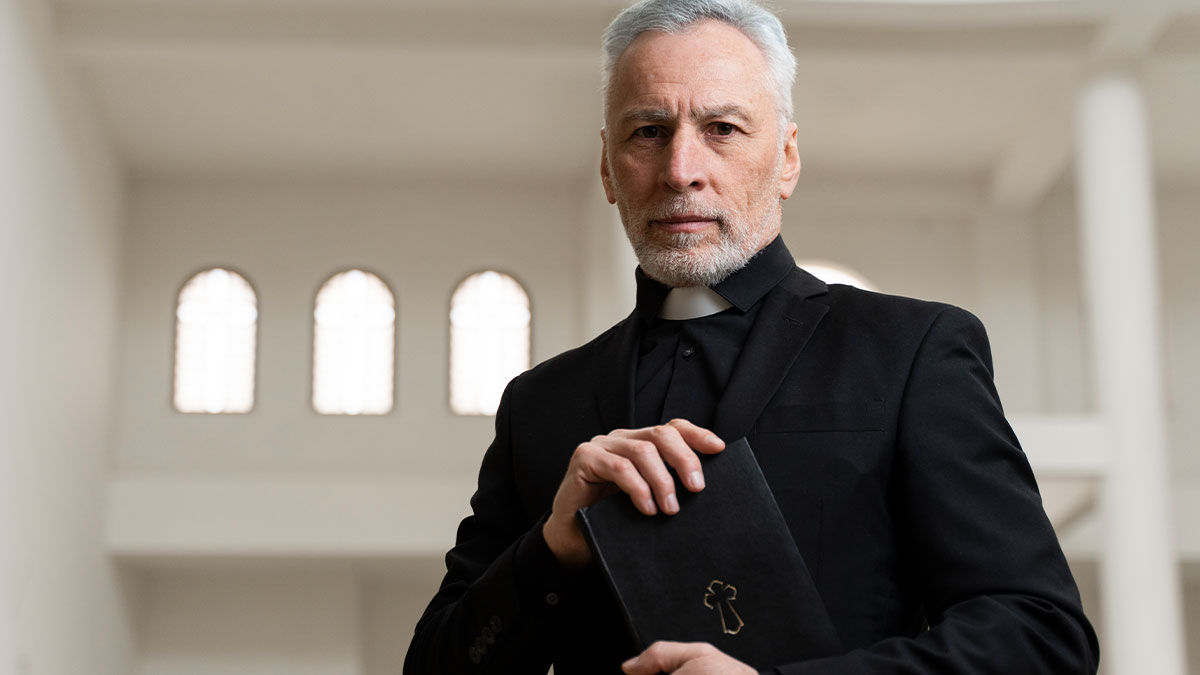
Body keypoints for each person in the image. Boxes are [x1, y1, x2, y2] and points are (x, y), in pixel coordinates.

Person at [404, 0, 1099, 672]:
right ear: (607, 167)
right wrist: (553, 546)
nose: (681, 170)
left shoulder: (912, 352)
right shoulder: (539, 404)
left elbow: (1040, 636)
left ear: (787, 157)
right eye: (647, 131)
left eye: (723, 128)